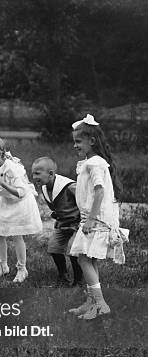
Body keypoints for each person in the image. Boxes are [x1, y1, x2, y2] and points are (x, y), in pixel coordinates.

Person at [68, 114, 127, 320]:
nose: (75, 145)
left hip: (97, 218)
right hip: (92, 216)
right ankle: (91, 301)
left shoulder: (95, 163)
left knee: (83, 258)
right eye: (74, 141)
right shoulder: (90, 162)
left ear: (92, 141)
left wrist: (91, 219)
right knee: (89, 259)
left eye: (78, 141)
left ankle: (100, 303)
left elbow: (100, 191)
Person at [0, 137, 42, 283]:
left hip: (21, 202)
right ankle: (2, 266)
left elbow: (21, 192)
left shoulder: (12, 168)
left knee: (16, 235)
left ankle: (22, 269)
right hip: (6, 201)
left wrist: (3, 184)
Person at [31, 156, 83, 286]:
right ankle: (63, 276)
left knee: (73, 251)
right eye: (32, 173)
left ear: (51, 174)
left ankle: (78, 281)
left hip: (78, 224)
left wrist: (86, 220)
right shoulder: (45, 187)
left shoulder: (70, 186)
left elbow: (86, 201)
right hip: (62, 224)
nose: (34, 176)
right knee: (54, 248)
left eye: (37, 173)